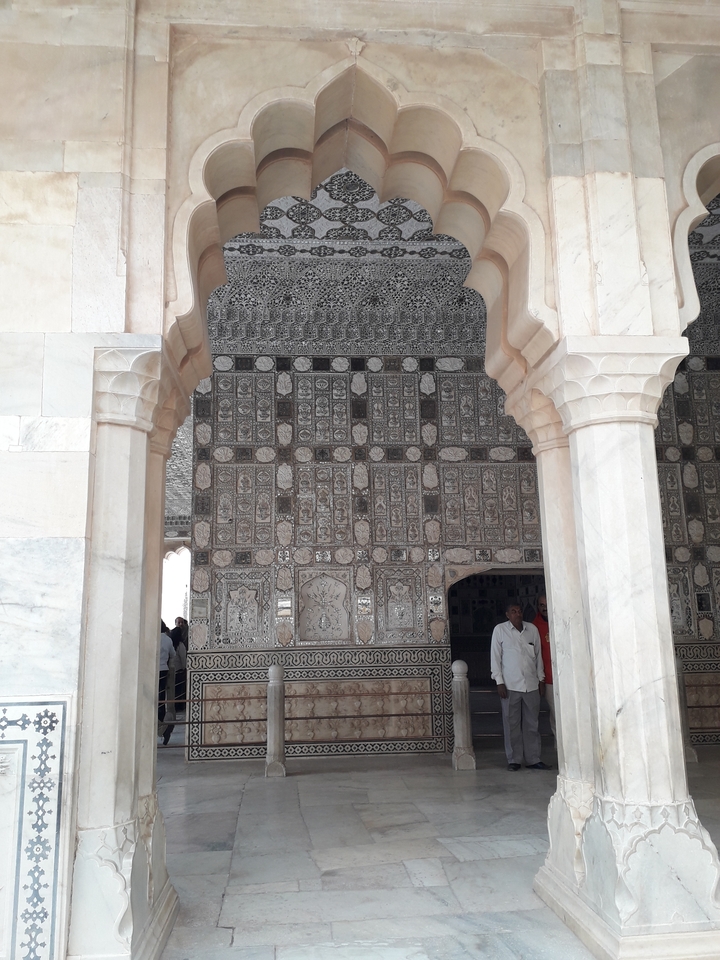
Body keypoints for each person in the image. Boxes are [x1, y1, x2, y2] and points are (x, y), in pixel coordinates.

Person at [490, 601, 551, 771]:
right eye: (513, 611)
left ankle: (533, 758)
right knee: (512, 724)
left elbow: (538, 656)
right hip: (510, 685)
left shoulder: (532, 630)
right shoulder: (500, 630)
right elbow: (495, 658)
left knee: (532, 724)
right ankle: (514, 759)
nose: (517, 614)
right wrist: (499, 682)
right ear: (507, 615)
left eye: (519, 611)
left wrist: (541, 679)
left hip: (531, 685)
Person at [533, 595, 555, 739]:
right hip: (548, 679)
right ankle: (559, 747)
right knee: (555, 713)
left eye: (547, 604)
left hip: (567, 677)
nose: (545, 608)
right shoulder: (533, 626)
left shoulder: (561, 617)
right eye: (541, 605)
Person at [158, 621, 176, 746]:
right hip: (163, 671)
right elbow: (173, 655)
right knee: (160, 700)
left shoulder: (150, 637)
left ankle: (161, 728)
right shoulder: (167, 640)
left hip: (150, 671)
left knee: (149, 701)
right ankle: (163, 728)